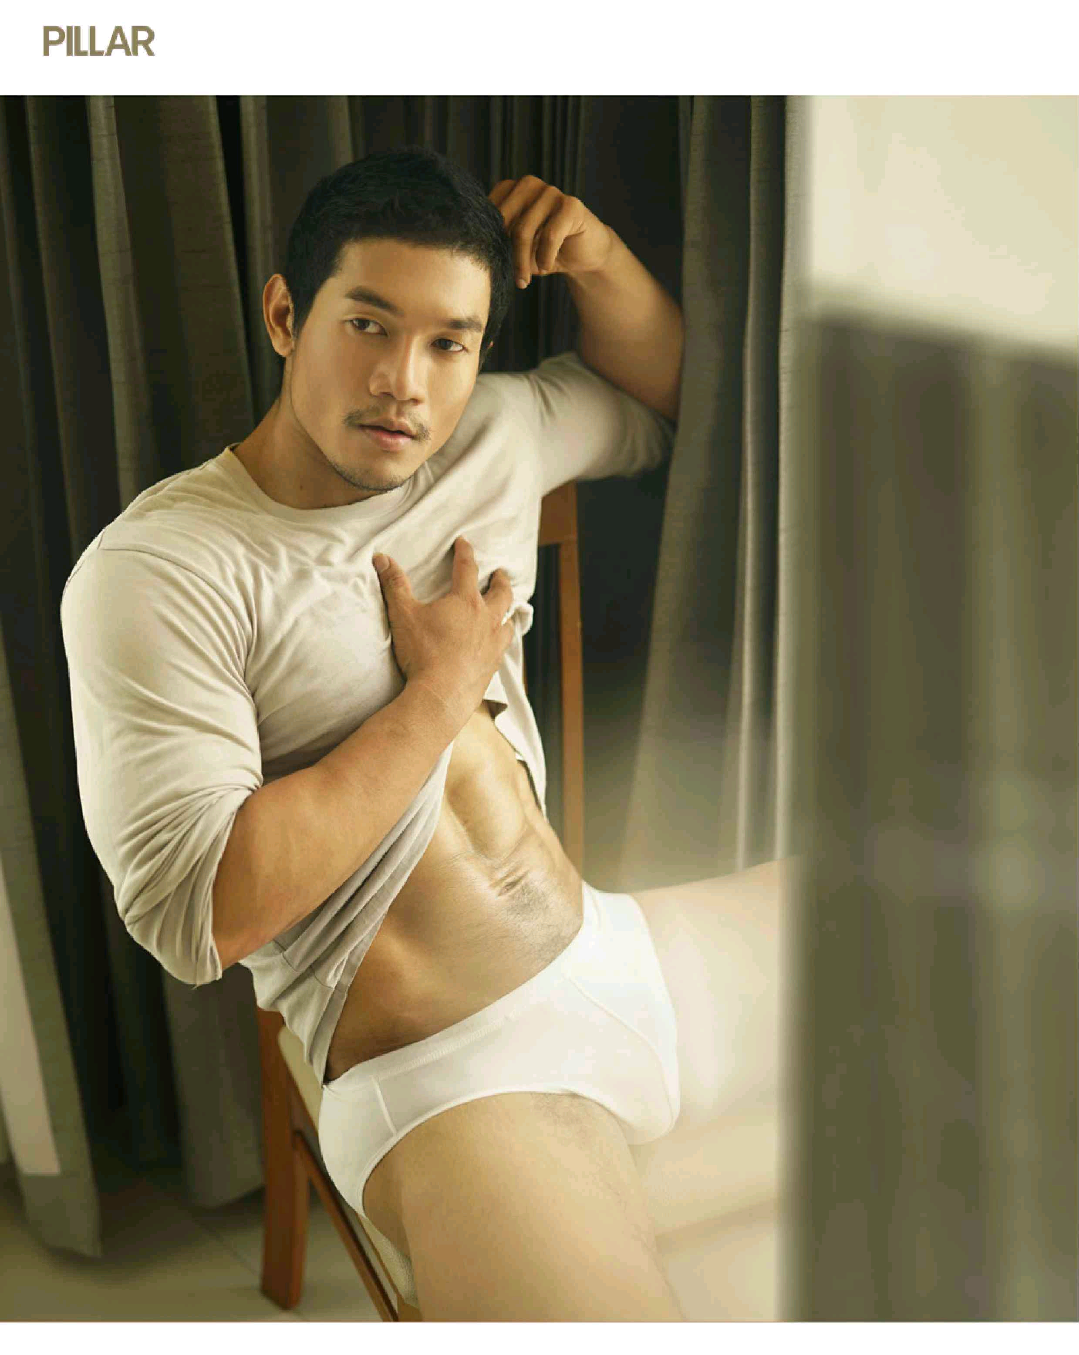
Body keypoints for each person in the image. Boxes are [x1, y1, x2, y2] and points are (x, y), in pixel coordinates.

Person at [61, 146, 783, 1321]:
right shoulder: (160, 568)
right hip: (451, 1071)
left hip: (616, 952)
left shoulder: (490, 433)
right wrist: (441, 694)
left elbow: (680, 398)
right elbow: (203, 913)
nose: (404, 381)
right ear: (286, 315)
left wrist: (599, 257)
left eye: (450, 341)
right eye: (368, 325)